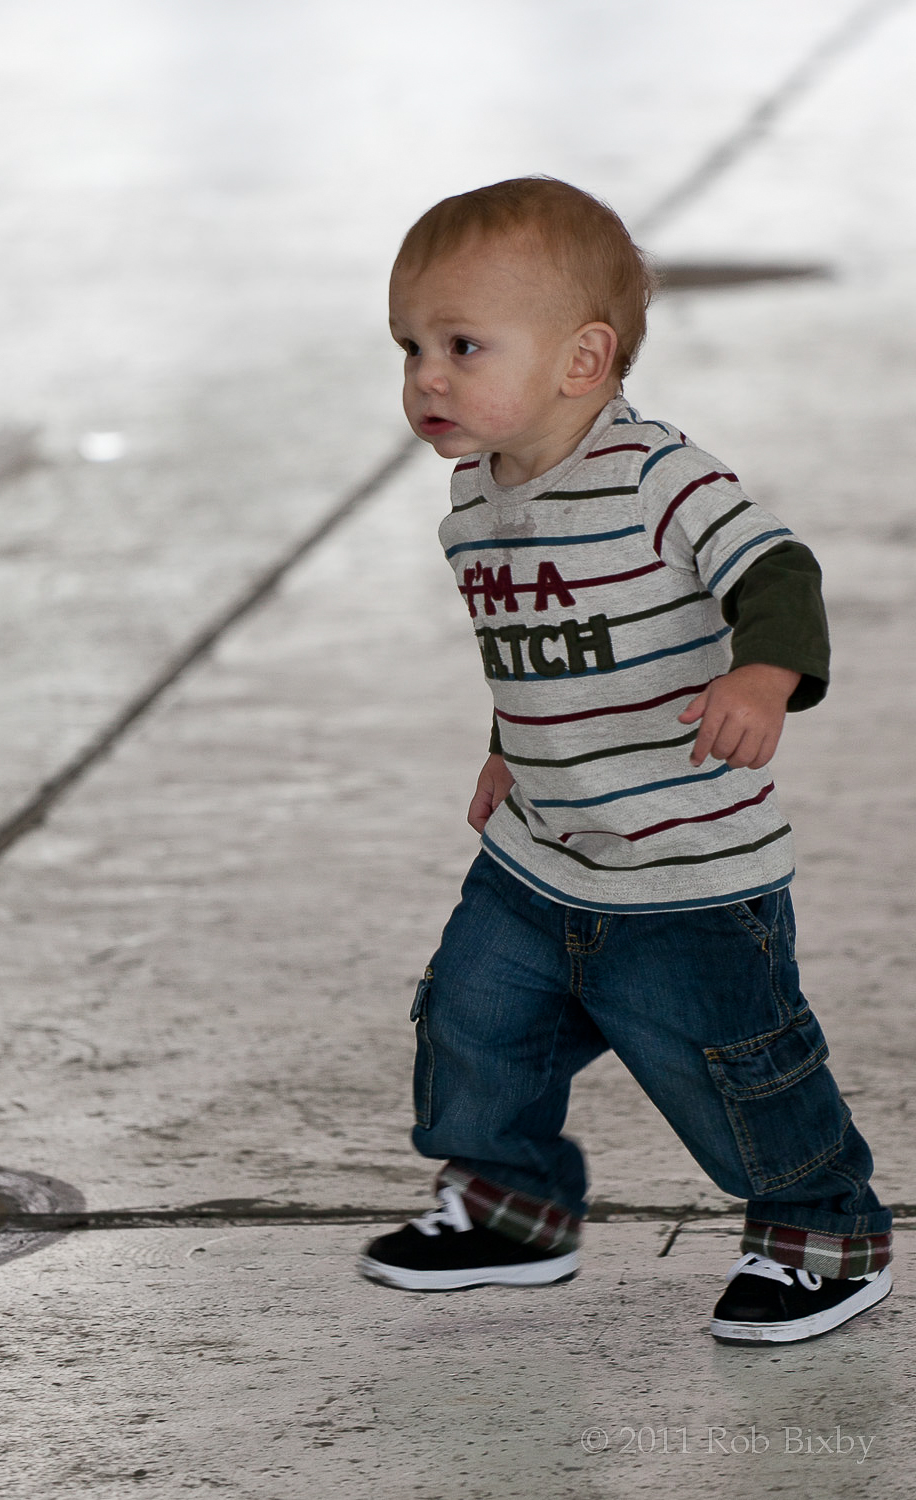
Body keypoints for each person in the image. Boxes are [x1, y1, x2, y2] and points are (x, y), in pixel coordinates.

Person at [358, 177, 892, 1343]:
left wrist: (764, 675)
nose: (425, 378)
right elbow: (542, 650)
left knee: (729, 1065)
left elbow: (776, 571)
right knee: (472, 1020)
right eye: (408, 348)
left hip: (684, 867)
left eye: (460, 346)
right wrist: (510, 747)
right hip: (542, 847)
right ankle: (510, 1205)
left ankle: (822, 1232)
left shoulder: (660, 477)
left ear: (582, 359)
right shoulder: (475, 494)